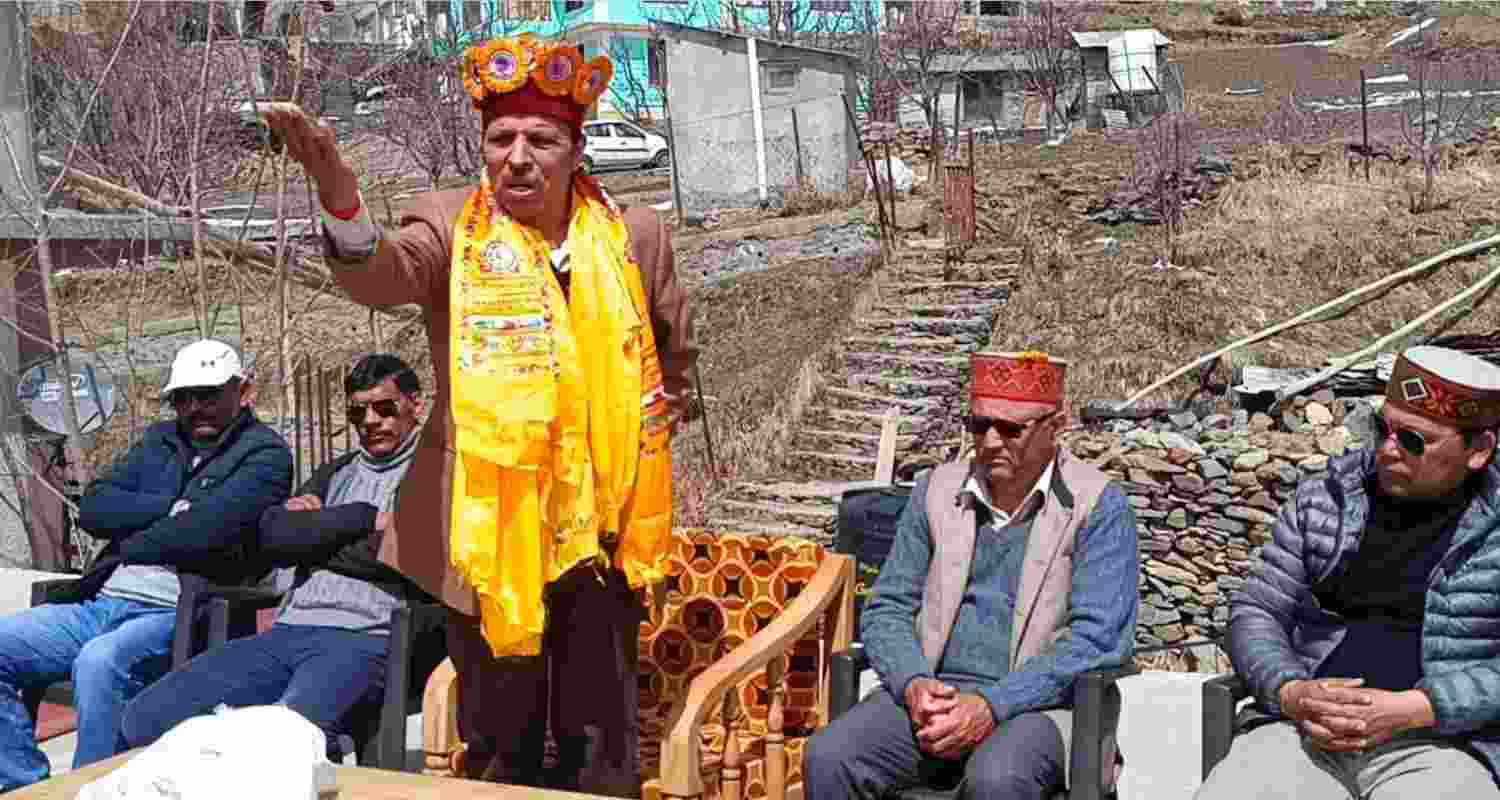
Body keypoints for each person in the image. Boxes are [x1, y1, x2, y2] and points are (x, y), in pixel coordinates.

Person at [258, 34, 696, 793]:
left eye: (541, 140)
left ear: (576, 150)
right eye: (501, 138)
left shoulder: (634, 234)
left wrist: (633, 448)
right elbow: (383, 274)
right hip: (486, 525)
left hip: (601, 529)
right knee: (500, 742)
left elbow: (672, 354)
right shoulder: (452, 224)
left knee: (599, 739)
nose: (517, 157)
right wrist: (338, 191)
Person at [804, 351, 1139, 800]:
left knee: (998, 779)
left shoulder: (1097, 505)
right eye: (980, 425)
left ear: (1055, 427)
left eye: (1011, 429)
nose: (991, 441)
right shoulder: (936, 491)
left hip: (1044, 704)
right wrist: (913, 683)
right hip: (936, 694)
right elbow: (888, 607)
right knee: (830, 756)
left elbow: (1098, 641)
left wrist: (991, 705)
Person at [1197, 345, 1500, 800]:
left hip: (1442, 744)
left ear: (1478, 451)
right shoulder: (1325, 499)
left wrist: (1421, 708)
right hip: (1302, 732)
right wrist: (1291, 691)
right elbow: (1257, 609)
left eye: (1413, 440)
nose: (1388, 449)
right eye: (1382, 428)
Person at [0, 339, 291, 790]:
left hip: (179, 613)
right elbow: (94, 508)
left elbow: (208, 530)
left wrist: (136, 534)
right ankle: (28, 787)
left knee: (99, 663)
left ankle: (93, 792)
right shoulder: (161, 441)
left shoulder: (266, 455)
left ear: (243, 391)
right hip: (101, 602)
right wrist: (171, 507)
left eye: (208, 394)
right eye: (183, 398)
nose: (194, 407)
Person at [119, 354, 434, 756]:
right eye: (357, 412)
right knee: (145, 717)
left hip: (365, 637)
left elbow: (403, 553)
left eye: (384, 408)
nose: (370, 421)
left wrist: (315, 534)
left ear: (415, 405)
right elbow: (272, 535)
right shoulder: (337, 472)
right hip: (287, 630)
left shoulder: (434, 473)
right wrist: (361, 520)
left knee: (281, 744)